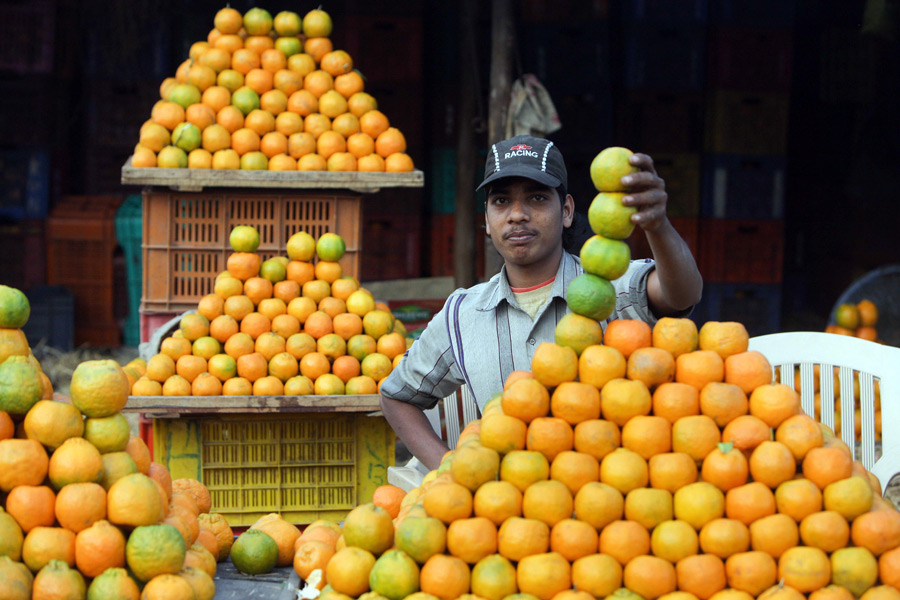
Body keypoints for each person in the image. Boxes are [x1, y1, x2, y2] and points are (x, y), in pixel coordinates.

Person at [380, 134, 703, 471]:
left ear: (565, 211)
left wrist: (658, 225)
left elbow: (682, 294)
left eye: (536, 198)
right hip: (511, 507)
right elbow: (397, 396)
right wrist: (448, 467)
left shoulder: (612, 283)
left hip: (610, 496)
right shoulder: (462, 314)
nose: (517, 215)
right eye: (501, 201)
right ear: (487, 221)